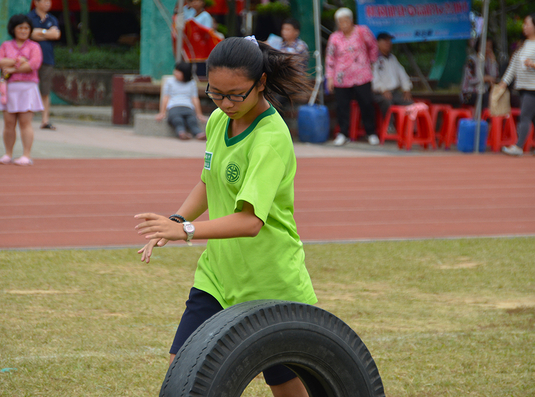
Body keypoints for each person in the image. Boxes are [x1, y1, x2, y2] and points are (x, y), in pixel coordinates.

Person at [135, 36, 316, 397]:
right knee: (183, 371)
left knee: (284, 383)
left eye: (236, 94)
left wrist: (185, 231)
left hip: (270, 283)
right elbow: (209, 181)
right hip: (217, 276)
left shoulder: (270, 138)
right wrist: (176, 220)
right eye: (215, 93)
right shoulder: (218, 119)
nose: (225, 103)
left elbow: (250, 222)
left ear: (260, 83)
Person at [499, 13, 535, 156]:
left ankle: (518, 146)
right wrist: (504, 82)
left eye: (527, 24)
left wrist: (534, 64)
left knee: (524, 115)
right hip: (523, 86)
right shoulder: (523, 45)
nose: (524, 27)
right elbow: (513, 66)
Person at [0, 14, 43, 166]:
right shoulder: (5, 45)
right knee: (8, 123)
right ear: (13, 29)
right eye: (20, 28)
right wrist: (18, 61)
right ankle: (8, 154)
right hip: (9, 89)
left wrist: (11, 69)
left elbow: (33, 65)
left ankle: (26, 155)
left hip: (27, 88)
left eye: (26, 28)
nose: (23, 31)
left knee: (25, 122)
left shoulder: (34, 46)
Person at [326, 7, 379, 146]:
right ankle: (343, 133)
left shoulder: (362, 31)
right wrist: (330, 78)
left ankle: (371, 132)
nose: (343, 24)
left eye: (345, 20)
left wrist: (372, 62)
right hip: (341, 77)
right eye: (339, 21)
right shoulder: (335, 37)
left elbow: (373, 46)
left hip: (362, 75)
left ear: (351, 20)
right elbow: (330, 58)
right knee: (342, 106)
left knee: (366, 103)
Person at [28, 0, 61, 131]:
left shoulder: (52, 19)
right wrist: (47, 33)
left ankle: (45, 120)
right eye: (45, 1)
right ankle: (27, 119)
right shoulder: (29, 18)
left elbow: (56, 34)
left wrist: (39, 33)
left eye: (49, 1)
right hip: (30, 60)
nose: (48, 3)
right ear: (36, 2)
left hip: (47, 59)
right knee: (30, 88)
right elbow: (29, 34)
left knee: (45, 91)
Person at [372, 32, 413, 133]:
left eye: (389, 41)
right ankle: (389, 126)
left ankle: (409, 128)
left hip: (394, 92)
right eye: (385, 41)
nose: (388, 43)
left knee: (410, 103)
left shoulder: (393, 58)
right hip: (378, 93)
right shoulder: (374, 58)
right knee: (386, 101)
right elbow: (373, 78)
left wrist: (406, 88)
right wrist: (383, 90)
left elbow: (402, 74)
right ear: (378, 43)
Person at [156, 62, 207, 140]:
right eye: (176, 70)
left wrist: (199, 114)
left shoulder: (192, 83)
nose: (175, 73)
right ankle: (181, 132)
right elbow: (166, 97)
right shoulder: (170, 82)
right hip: (174, 107)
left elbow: (194, 99)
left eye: (179, 72)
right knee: (177, 120)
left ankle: (198, 133)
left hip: (188, 107)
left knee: (192, 119)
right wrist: (162, 112)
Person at [460, 37, 499, 108]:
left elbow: (494, 77)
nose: (487, 49)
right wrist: (484, 78)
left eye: (489, 47)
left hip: (484, 91)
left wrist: (493, 61)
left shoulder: (488, 61)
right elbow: (471, 80)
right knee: (486, 98)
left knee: (496, 97)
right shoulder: (471, 61)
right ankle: (485, 118)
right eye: (485, 46)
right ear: (479, 47)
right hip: (469, 93)